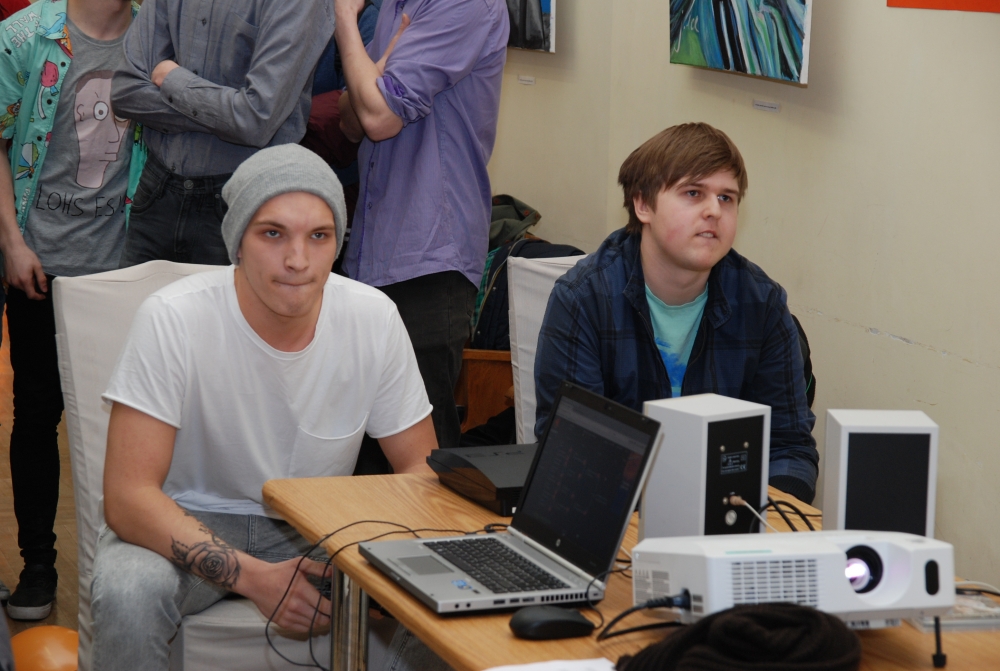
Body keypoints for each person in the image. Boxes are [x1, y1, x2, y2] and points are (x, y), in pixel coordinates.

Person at [90, 144, 438, 669]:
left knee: (448, 590)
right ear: (236, 242)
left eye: (318, 236)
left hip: (322, 529)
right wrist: (256, 579)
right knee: (129, 591)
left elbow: (421, 474)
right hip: (185, 519)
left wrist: (379, 559)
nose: (298, 260)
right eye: (273, 234)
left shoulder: (374, 318)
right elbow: (128, 496)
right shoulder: (174, 317)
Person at [534, 123, 819, 503]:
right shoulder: (584, 299)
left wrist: (761, 516)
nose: (713, 211)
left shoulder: (762, 304)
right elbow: (573, 452)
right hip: (615, 516)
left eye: (727, 198)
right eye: (693, 193)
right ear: (643, 205)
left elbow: (789, 449)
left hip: (731, 517)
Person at [0, 0, 140, 620]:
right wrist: (12, 243)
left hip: (122, 270)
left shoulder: (155, 37)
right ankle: (38, 566)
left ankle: (123, 573)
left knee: (129, 428)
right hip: (41, 266)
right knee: (37, 415)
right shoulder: (26, 36)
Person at [335, 0, 509, 449]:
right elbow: (351, 120)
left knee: (420, 458)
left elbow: (377, 117)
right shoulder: (397, 7)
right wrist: (375, 74)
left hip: (429, 257)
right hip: (372, 253)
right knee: (362, 447)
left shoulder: (464, 3)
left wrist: (345, 19)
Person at [110, 0, 334, 267]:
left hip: (244, 199)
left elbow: (255, 120)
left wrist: (174, 82)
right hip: (157, 189)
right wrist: (225, 116)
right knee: (134, 296)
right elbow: (126, 92)